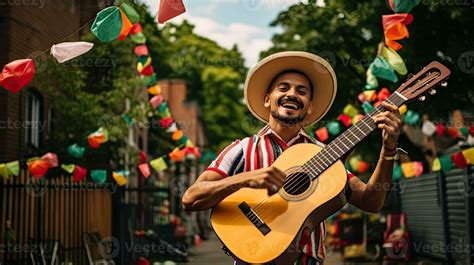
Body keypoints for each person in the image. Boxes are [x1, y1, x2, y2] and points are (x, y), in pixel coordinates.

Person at [182, 51, 402, 264]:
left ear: (309, 107)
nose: (292, 94)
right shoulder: (242, 149)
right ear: (268, 99)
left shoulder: (324, 154)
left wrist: (388, 151)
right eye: (283, 88)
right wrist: (245, 179)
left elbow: (370, 202)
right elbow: (191, 198)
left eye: (302, 91)